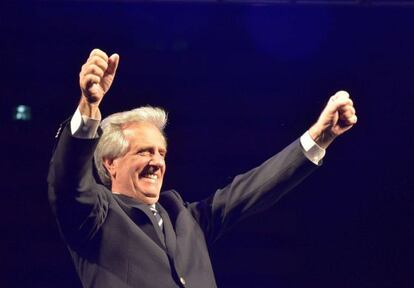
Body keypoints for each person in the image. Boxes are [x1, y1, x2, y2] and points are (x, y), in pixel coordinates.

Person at [48, 48, 357, 288]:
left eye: (162, 153)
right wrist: (88, 109)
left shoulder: (183, 216)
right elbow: (67, 181)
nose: (157, 161)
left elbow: (251, 189)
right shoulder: (94, 217)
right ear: (110, 162)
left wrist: (320, 136)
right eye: (144, 152)